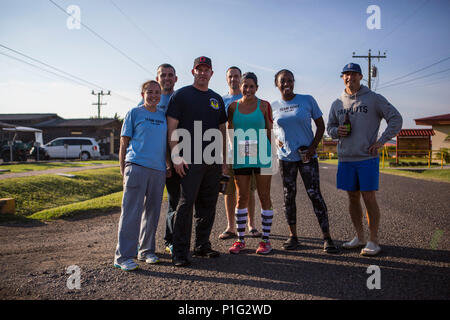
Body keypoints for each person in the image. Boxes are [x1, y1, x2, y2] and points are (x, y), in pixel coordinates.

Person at [327, 62, 402, 256]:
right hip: (345, 159)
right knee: (352, 197)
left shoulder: (373, 99)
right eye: (346, 74)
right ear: (342, 77)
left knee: (368, 197)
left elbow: (396, 118)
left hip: (366, 157)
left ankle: (374, 240)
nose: (349, 77)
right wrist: (337, 131)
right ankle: (359, 237)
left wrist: (382, 141)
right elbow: (330, 128)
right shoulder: (337, 102)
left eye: (354, 74)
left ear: (361, 77)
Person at [166, 56, 228, 267]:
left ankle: (202, 245)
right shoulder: (181, 95)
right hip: (188, 160)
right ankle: (180, 252)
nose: (202, 73)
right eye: (198, 69)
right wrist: (175, 156)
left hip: (212, 160)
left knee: (208, 204)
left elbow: (221, 131)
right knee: (185, 204)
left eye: (206, 69)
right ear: (193, 72)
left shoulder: (216, 99)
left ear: (212, 73)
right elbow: (172, 128)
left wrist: (223, 161)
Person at [271, 69, 339, 254]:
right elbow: (270, 127)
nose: (286, 84)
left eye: (290, 80)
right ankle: (293, 236)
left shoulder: (307, 100)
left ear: (294, 82)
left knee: (314, 194)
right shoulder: (273, 106)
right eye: (282, 81)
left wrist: (312, 148)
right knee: (288, 197)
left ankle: (327, 237)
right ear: (276, 84)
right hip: (286, 158)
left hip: (307, 157)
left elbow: (321, 126)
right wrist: (277, 140)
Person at [114, 80, 168, 271]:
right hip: (136, 166)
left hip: (158, 170)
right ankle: (123, 256)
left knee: (152, 213)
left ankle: (146, 251)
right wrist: (123, 170)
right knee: (131, 213)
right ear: (142, 95)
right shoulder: (134, 113)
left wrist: (167, 164)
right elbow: (123, 143)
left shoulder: (163, 116)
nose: (153, 95)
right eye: (149, 92)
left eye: (157, 92)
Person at [227, 72, 274, 255]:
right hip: (241, 156)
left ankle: (265, 241)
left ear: (257, 88)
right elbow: (229, 131)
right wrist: (232, 151)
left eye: (251, 86)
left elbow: (269, 132)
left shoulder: (264, 106)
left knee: (264, 196)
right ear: (240, 87)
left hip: (262, 155)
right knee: (241, 197)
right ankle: (240, 240)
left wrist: (272, 157)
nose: (248, 89)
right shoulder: (232, 107)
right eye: (245, 86)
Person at [136, 64, 179, 255]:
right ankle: (142, 244)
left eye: (170, 75)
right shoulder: (142, 106)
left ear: (176, 79)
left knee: (173, 203)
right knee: (144, 206)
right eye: (163, 75)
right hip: (148, 163)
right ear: (157, 77)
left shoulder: (180, 99)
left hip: (173, 161)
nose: (167, 78)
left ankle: (170, 241)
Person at [220, 66, 260, 240]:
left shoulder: (248, 98)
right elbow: (220, 127)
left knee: (248, 190)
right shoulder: (221, 100)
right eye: (231, 76)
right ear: (226, 78)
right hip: (228, 151)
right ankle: (231, 227)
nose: (234, 79)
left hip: (248, 149)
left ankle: (251, 225)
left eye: (237, 76)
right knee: (229, 190)